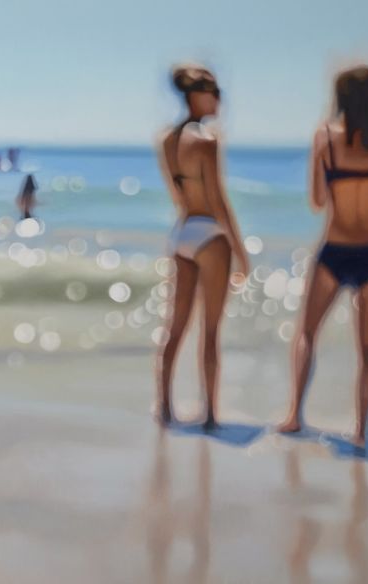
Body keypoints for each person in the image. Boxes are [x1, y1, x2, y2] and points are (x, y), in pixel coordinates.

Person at [277, 65, 368, 447]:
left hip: (335, 251)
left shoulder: (325, 137)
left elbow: (317, 201)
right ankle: (360, 431)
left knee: (307, 333)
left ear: (340, 97)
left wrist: (338, 177)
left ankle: (293, 416)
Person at [155, 64, 249, 430]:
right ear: (198, 96)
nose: (220, 101)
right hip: (210, 234)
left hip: (183, 232)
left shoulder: (167, 140)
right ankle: (210, 415)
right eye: (216, 94)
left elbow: (179, 196)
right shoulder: (207, 140)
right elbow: (219, 201)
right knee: (210, 331)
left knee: (175, 326)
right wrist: (240, 251)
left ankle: (165, 409)